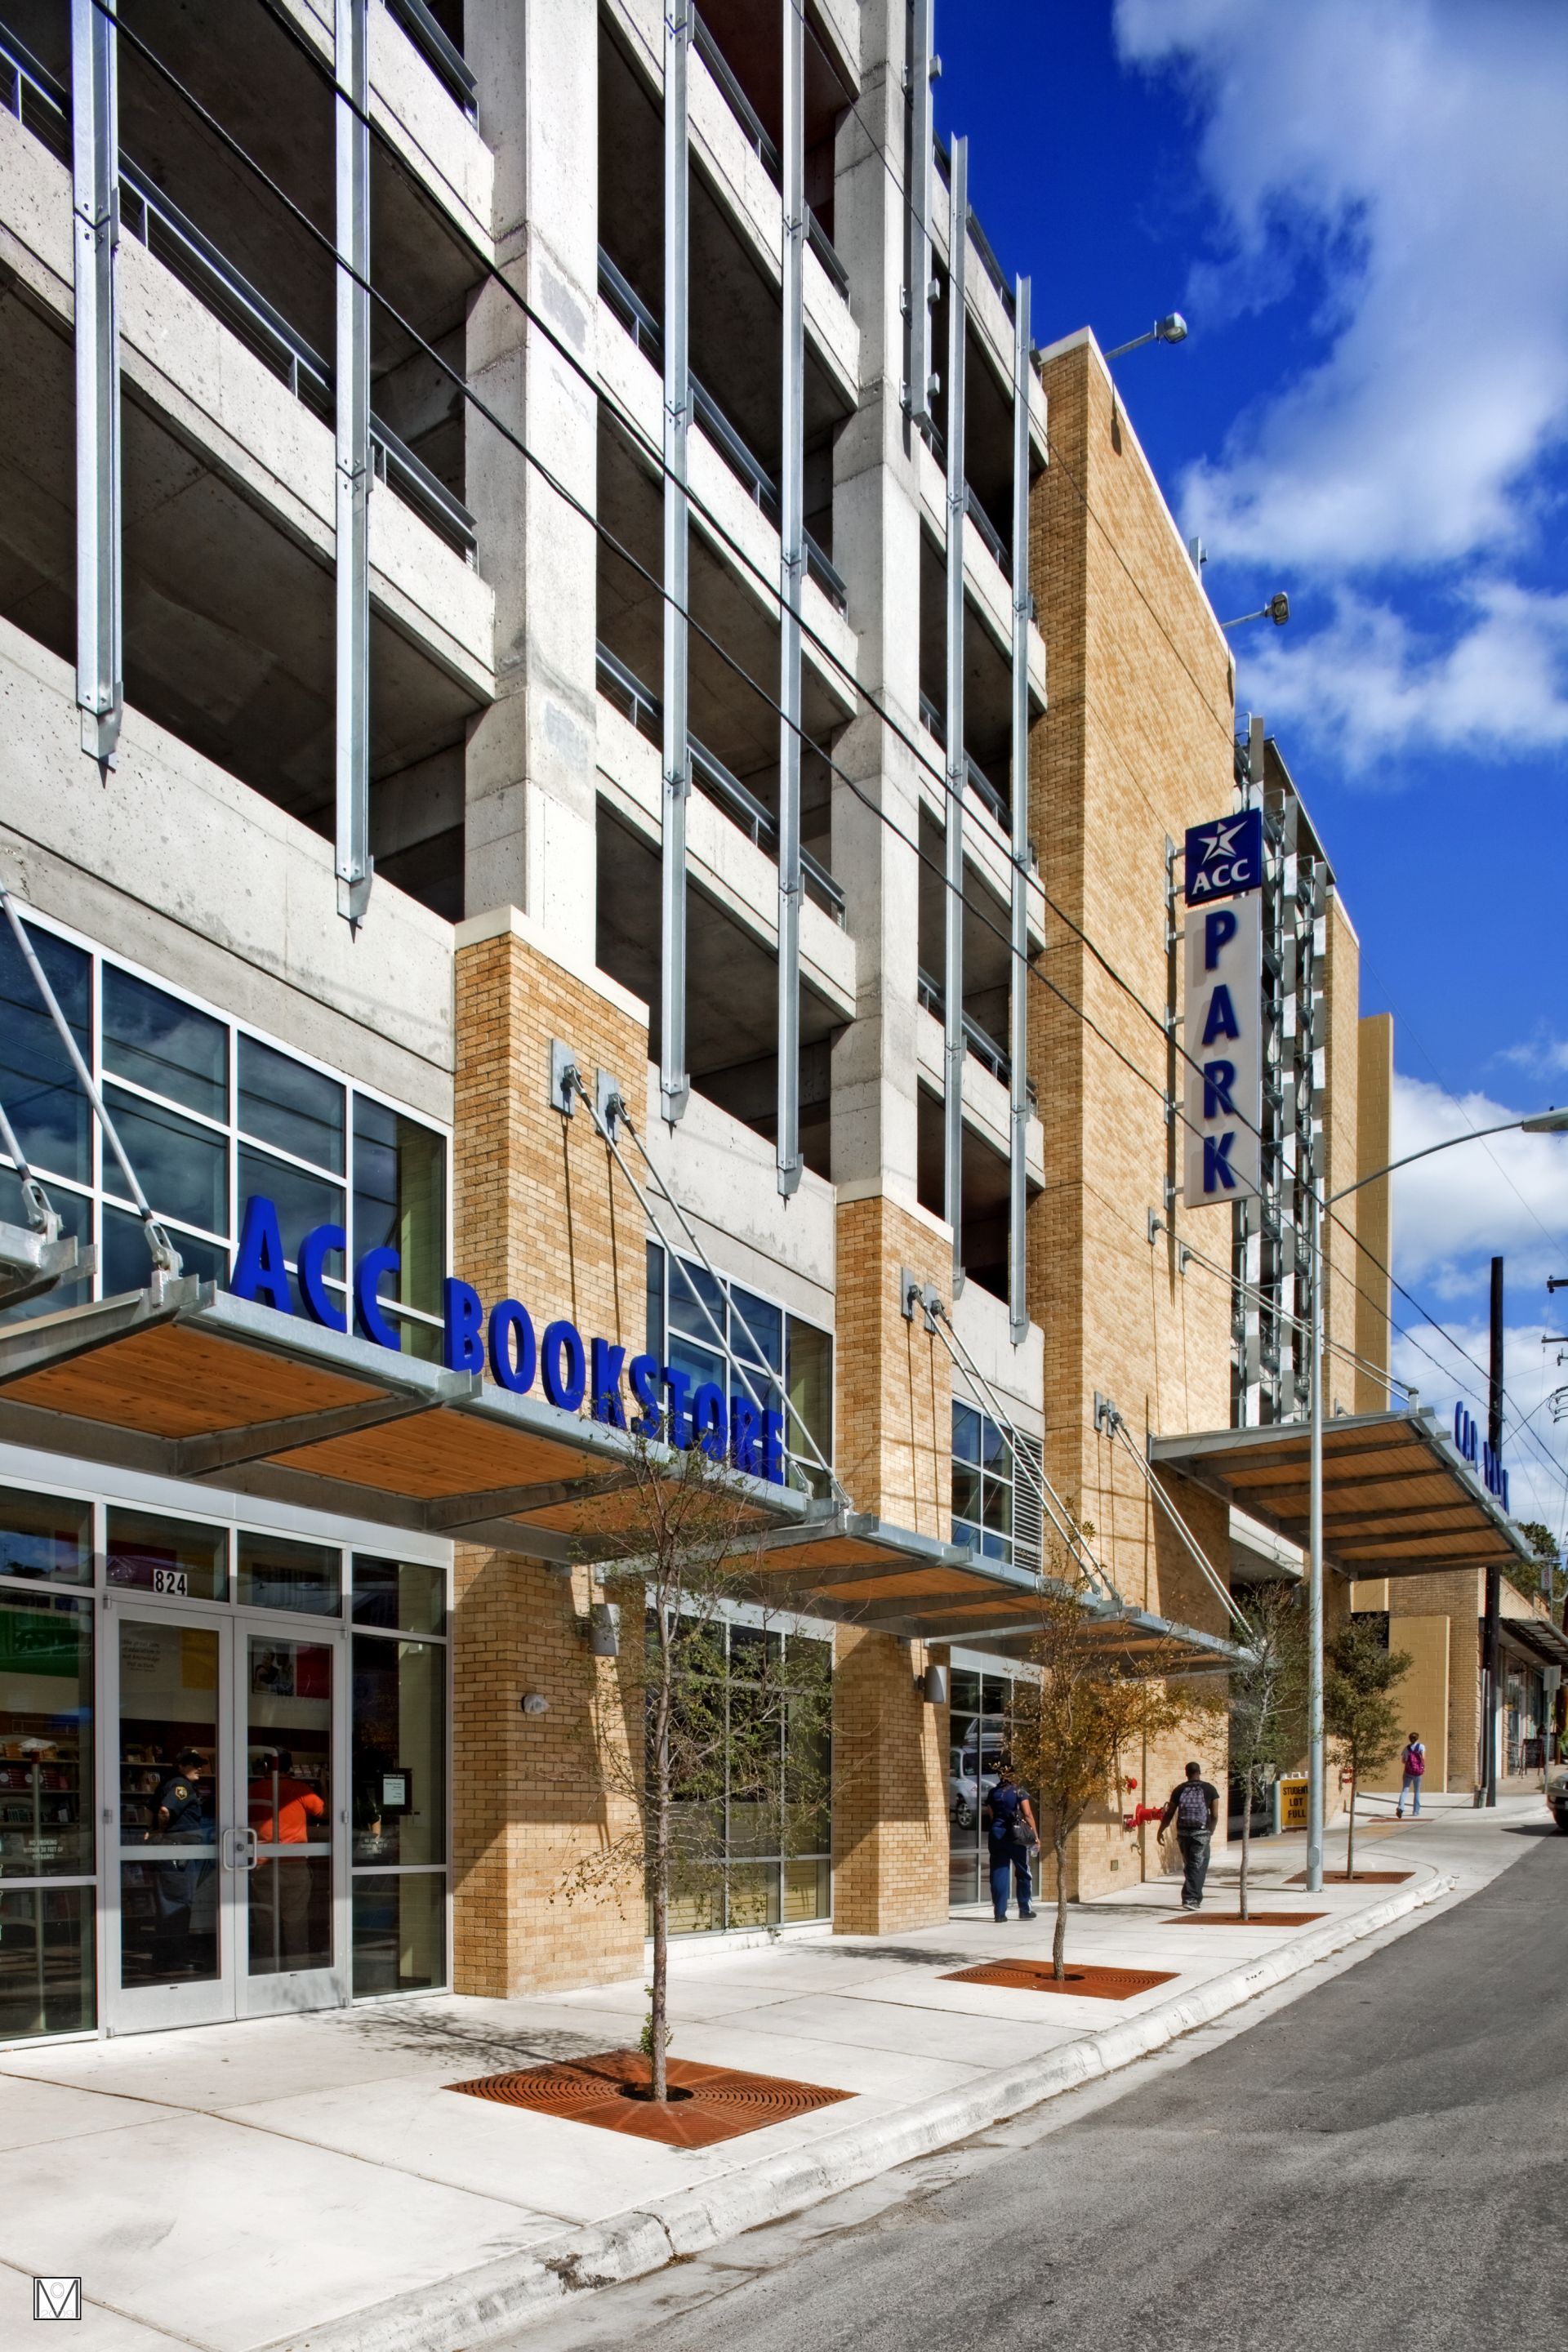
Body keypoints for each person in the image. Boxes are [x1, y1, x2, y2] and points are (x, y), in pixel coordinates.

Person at [1160, 1761, 1220, 1911]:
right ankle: (1191, 1899)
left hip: (1183, 1834)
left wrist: (1161, 1830)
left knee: (1190, 1865)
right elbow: (1215, 1815)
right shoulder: (1210, 1789)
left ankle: (1190, 1897)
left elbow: (1169, 1813)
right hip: (1201, 1834)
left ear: (1186, 1773)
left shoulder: (1179, 1790)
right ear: (1199, 1772)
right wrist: (1210, 1831)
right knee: (1198, 1866)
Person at [985, 1763, 1039, 1922]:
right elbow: (1028, 1814)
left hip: (996, 1834)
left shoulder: (993, 1793)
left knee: (999, 1872)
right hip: (1016, 1836)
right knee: (1023, 1871)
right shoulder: (1019, 1791)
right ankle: (1025, 1910)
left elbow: (992, 1816)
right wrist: (1035, 1835)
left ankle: (1000, 1913)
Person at [1397, 1731, 1426, 1818]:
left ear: (1409, 1739)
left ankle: (1400, 1807)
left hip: (1408, 1772)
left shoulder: (1407, 1748)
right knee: (1417, 1791)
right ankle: (1416, 1811)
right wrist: (1422, 1767)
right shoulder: (1421, 1747)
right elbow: (1423, 1758)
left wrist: (1409, 1762)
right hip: (1418, 1773)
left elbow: (1403, 1761)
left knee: (1405, 1790)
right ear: (1417, 1738)